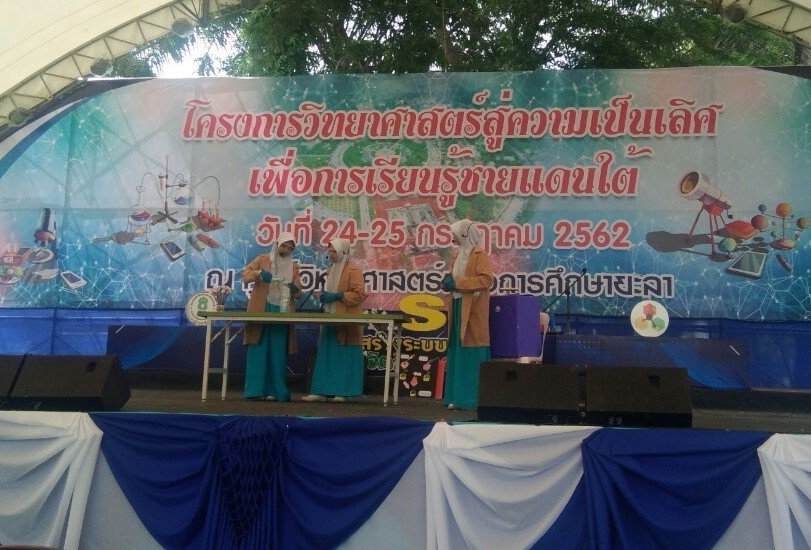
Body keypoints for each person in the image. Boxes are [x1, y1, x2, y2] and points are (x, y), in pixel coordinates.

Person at [302, 238, 368, 402]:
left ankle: (343, 392)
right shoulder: (330, 269)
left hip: (347, 320)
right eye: (329, 251)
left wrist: (339, 296)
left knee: (344, 356)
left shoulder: (354, 270)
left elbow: (359, 294)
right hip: (330, 317)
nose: (330, 254)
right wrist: (326, 297)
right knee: (326, 354)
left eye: (334, 251)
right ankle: (321, 391)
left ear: (343, 252)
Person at [440, 219, 494, 410]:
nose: (452, 237)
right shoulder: (458, 254)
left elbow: (486, 280)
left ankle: (471, 399)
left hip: (473, 309)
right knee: (457, 349)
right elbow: (454, 278)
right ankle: (455, 397)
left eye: (454, 234)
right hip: (457, 306)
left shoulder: (480, 254)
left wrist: (458, 283)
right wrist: (447, 282)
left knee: (471, 350)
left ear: (465, 235)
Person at [242, 232, 302, 401]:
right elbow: (245, 275)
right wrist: (259, 274)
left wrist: (295, 289)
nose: (287, 250)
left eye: (290, 248)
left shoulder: (294, 267)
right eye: (284, 246)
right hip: (262, 306)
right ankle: (255, 391)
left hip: (282, 308)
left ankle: (276, 391)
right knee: (258, 349)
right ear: (277, 244)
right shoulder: (263, 259)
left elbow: (298, 292)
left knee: (278, 353)